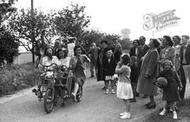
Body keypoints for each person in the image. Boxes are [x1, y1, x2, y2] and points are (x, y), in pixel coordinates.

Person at [137, 38, 160, 109]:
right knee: (147, 88)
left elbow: (152, 64)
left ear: (153, 44)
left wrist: (148, 73)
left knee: (150, 88)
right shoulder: (150, 50)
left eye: (151, 41)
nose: (149, 42)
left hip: (150, 74)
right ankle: (151, 101)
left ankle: (153, 103)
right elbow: (145, 59)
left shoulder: (154, 52)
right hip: (145, 71)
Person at [116, 54, 133, 119]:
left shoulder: (124, 67)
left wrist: (118, 65)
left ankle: (128, 113)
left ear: (123, 60)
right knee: (124, 98)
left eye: (121, 59)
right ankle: (126, 111)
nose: (120, 60)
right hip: (123, 84)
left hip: (125, 84)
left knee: (126, 99)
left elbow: (117, 71)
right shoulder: (124, 66)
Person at [179, 35, 190, 100]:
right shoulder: (181, 47)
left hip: (189, 65)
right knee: (182, 80)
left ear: (187, 39)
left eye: (183, 39)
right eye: (182, 39)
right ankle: (182, 96)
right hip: (182, 65)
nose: (182, 40)